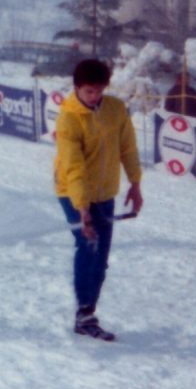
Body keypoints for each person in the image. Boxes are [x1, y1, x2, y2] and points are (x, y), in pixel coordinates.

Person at [54, 58, 143, 341]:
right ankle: (84, 314)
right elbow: (73, 165)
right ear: (77, 88)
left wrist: (136, 184)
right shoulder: (68, 118)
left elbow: (127, 147)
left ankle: (89, 311)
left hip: (105, 192)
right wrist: (82, 208)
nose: (95, 96)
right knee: (88, 245)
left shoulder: (115, 109)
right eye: (89, 91)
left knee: (101, 258)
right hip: (72, 192)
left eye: (100, 90)